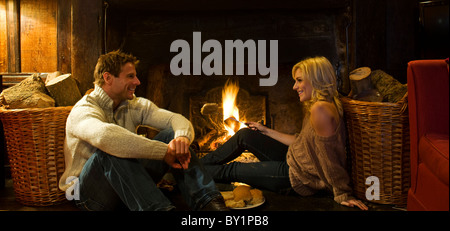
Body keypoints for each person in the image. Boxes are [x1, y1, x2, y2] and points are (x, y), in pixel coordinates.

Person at [59, 50, 227, 211]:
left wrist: (182, 139)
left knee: (171, 136)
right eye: (130, 76)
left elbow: (175, 119)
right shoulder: (83, 110)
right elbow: (105, 137)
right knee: (110, 149)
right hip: (86, 195)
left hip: (126, 186)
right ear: (108, 78)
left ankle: (209, 203)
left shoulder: (134, 105)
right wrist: (164, 152)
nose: (137, 82)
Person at [201, 56, 368, 210]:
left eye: (300, 80)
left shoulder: (320, 110)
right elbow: (300, 141)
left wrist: (342, 193)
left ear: (316, 79)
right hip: (293, 158)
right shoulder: (321, 103)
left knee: (232, 169)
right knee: (245, 135)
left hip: (297, 178)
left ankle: (186, 171)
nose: (295, 86)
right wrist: (266, 131)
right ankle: (195, 164)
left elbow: (330, 157)